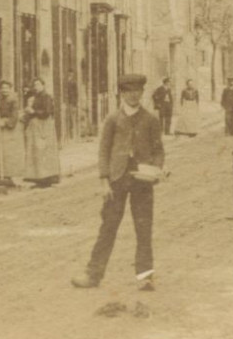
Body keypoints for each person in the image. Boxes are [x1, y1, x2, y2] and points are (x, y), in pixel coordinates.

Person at [72, 74, 165, 292]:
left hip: (142, 180)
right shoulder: (113, 119)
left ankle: (145, 277)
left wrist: (155, 169)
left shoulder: (151, 119)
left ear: (142, 93)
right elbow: (104, 151)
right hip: (117, 179)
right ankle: (93, 275)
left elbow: (158, 150)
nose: (133, 96)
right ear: (122, 94)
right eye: (128, 92)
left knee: (143, 228)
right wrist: (104, 181)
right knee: (108, 227)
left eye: (137, 92)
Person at [23, 77, 61, 187]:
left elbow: (47, 112)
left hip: (44, 126)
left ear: (43, 85)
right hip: (35, 126)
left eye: (38, 84)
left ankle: (47, 178)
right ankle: (39, 177)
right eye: (34, 85)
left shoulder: (47, 97)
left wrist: (33, 112)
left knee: (44, 151)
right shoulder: (35, 97)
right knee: (36, 152)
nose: (36, 87)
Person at [0, 78, 24, 186]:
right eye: (2, 88)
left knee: (8, 152)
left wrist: (7, 123)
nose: (4, 90)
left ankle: (8, 175)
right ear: (0, 89)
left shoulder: (14, 100)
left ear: (10, 89)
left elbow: (15, 116)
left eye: (7, 88)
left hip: (9, 128)